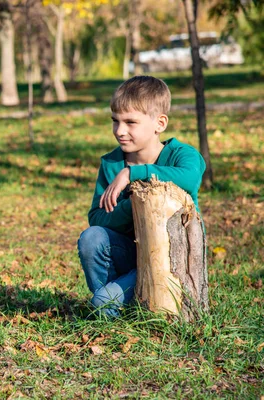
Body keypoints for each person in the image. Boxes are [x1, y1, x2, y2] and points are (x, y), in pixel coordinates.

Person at [77, 76, 205, 318]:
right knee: (91, 238)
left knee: (102, 303)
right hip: (131, 256)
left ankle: (112, 302)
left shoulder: (182, 155)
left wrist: (134, 174)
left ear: (160, 123)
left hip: (172, 262)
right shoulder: (112, 163)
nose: (120, 130)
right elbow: (97, 218)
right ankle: (114, 307)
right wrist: (133, 204)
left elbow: (190, 178)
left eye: (130, 122)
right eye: (115, 121)